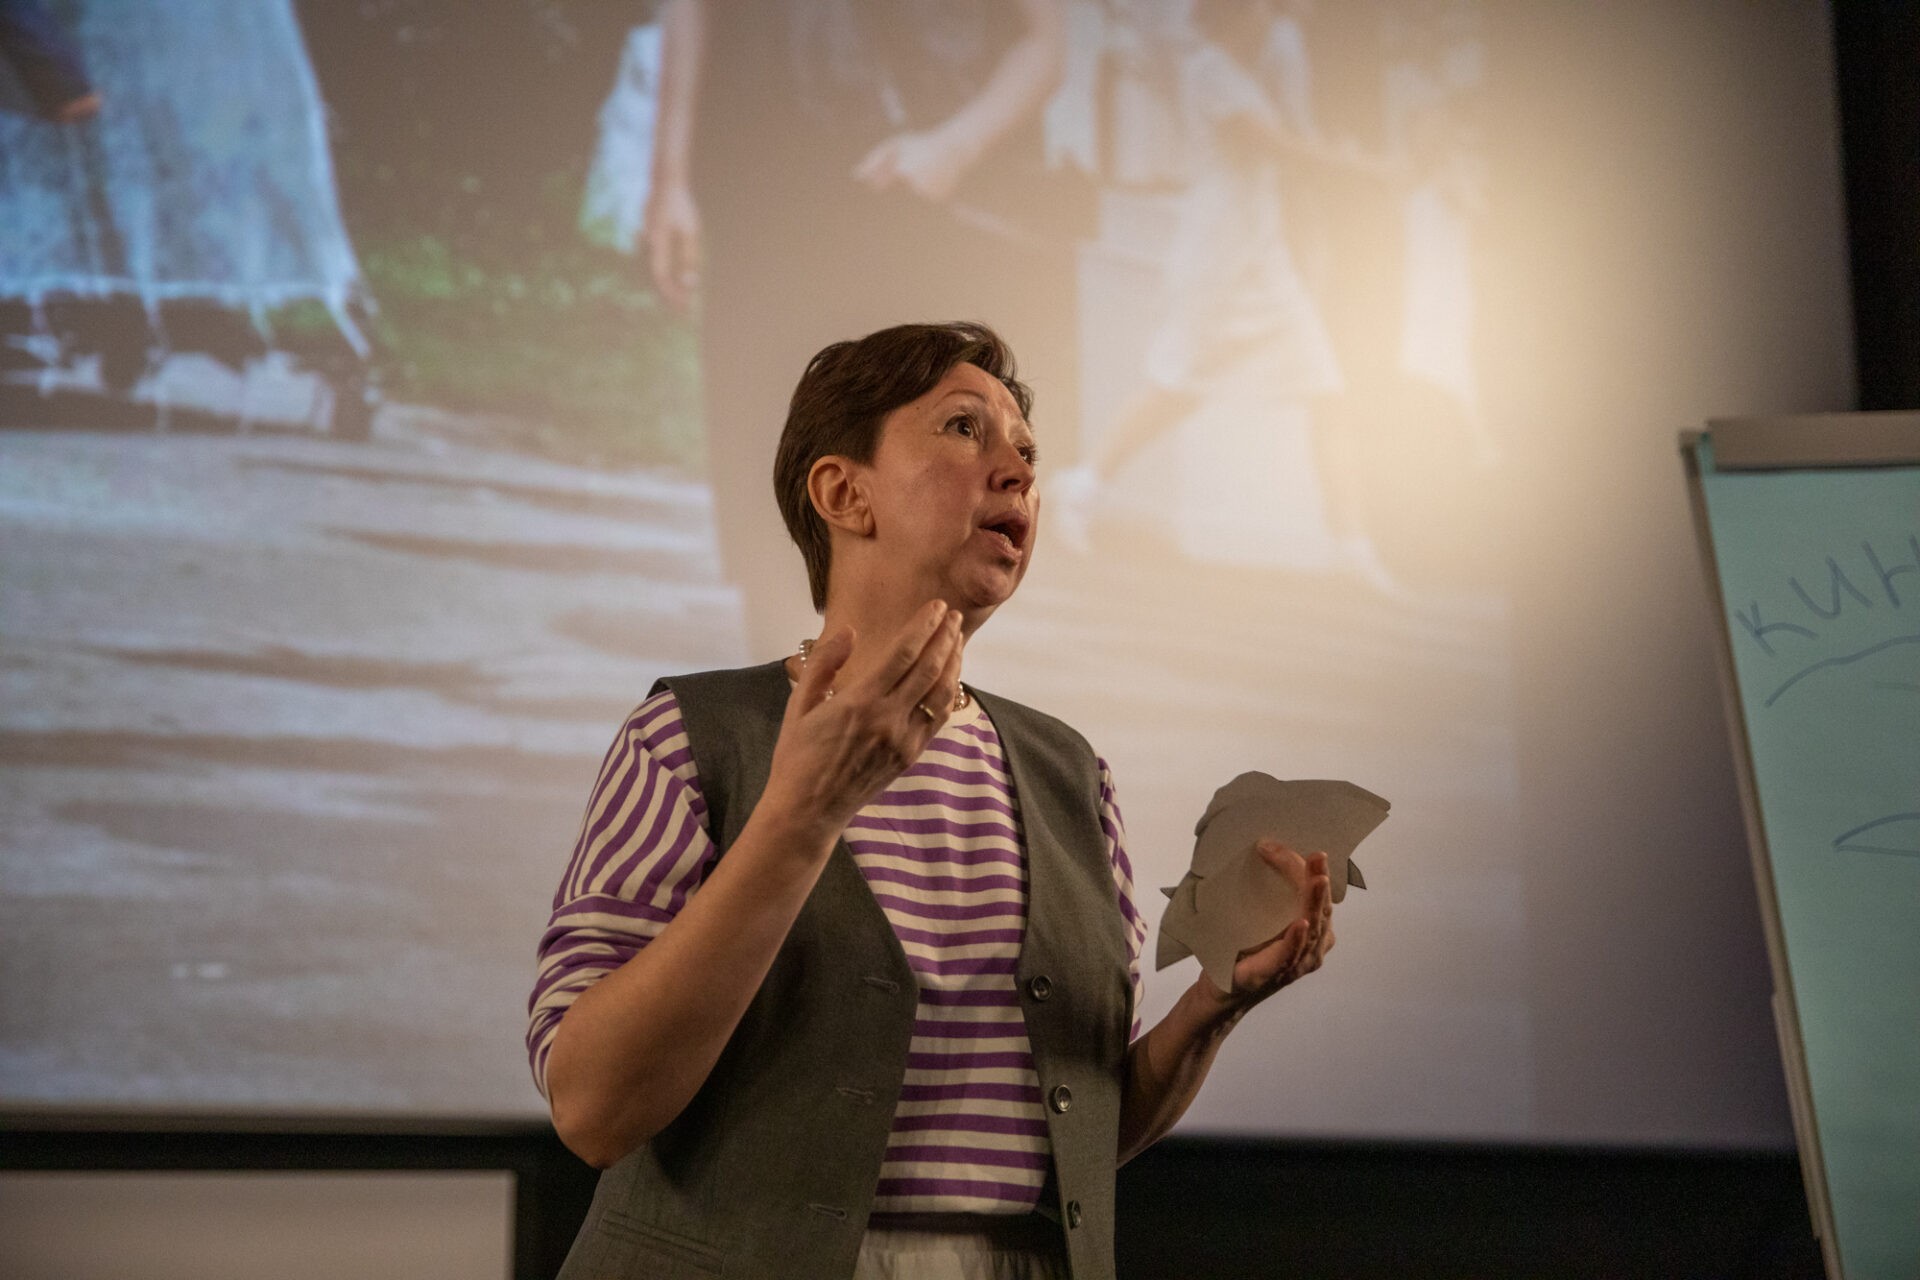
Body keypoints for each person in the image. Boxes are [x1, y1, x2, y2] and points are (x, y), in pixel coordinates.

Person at [527, 322, 1337, 1279]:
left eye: (1028, 452)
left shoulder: (1072, 776)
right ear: (844, 493)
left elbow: (1072, 1139)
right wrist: (803, 815)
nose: (1018, 473)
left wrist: (1213, 1005)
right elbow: (593, 1109)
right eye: (964, 429)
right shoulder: (688, 739)